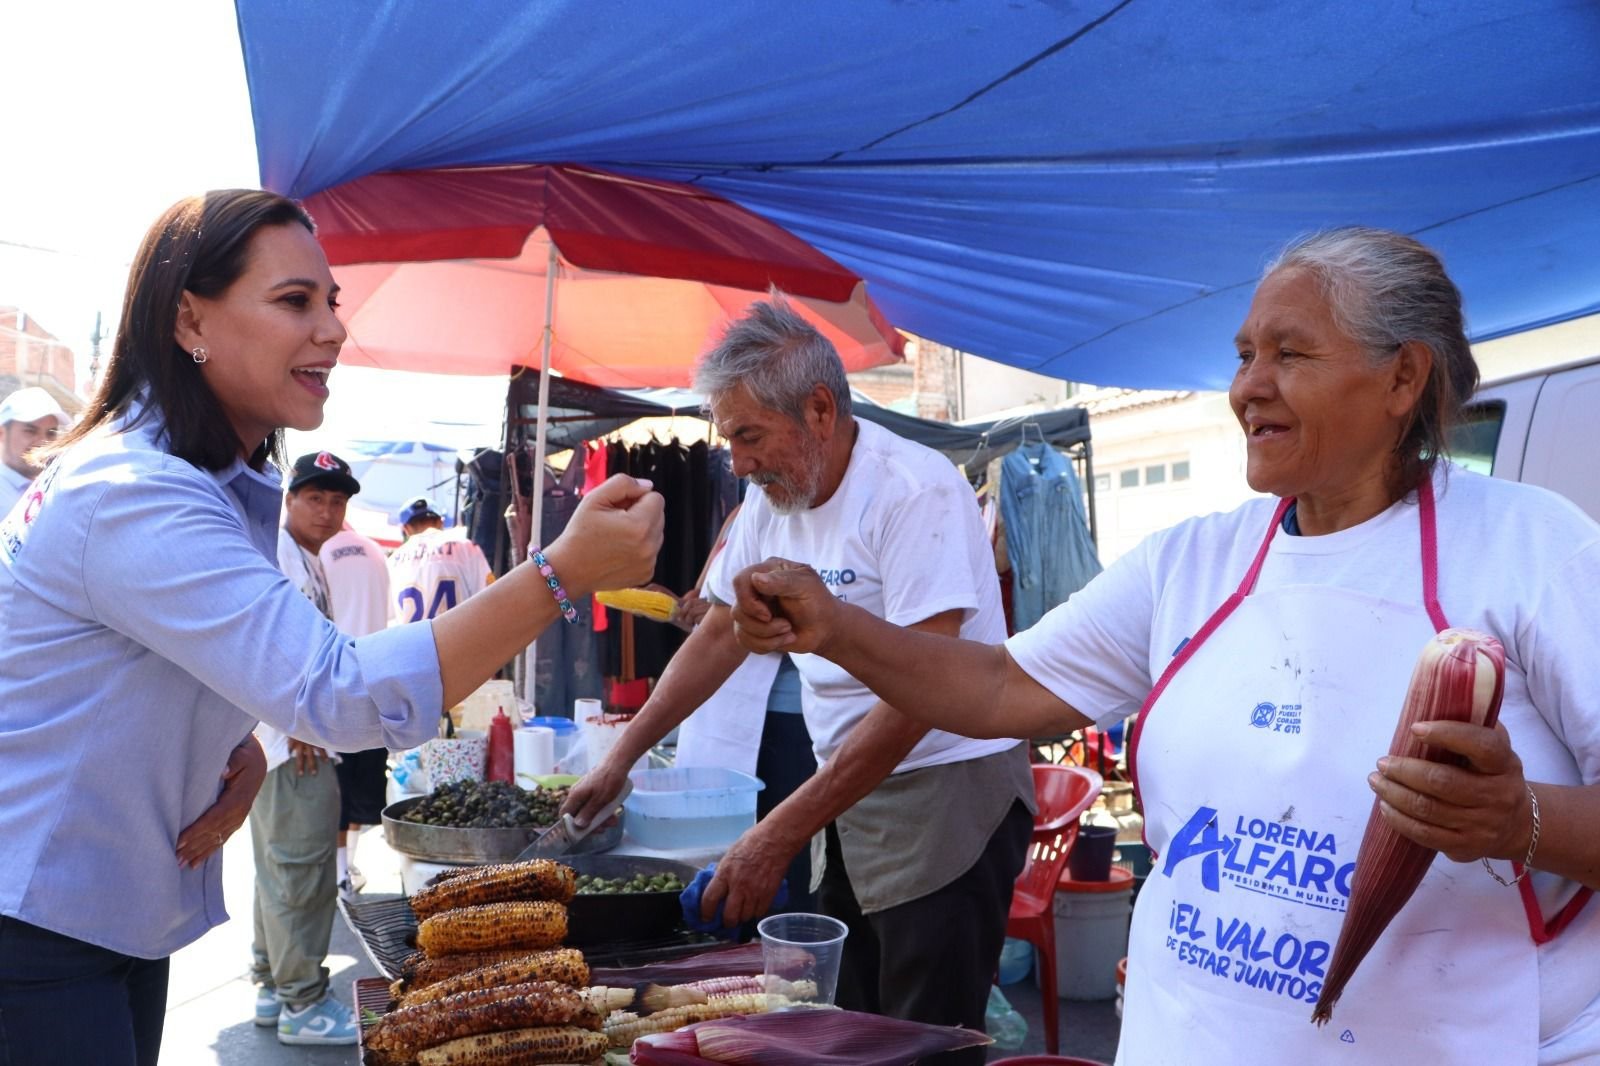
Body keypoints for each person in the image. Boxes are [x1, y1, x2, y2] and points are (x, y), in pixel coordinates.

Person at [729, 229, 1600, 1064]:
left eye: (1290, 354)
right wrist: (836, 627)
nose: (1249, 387)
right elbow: (996, 687)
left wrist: (1516, 821)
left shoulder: (1534, 551)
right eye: (1245, 355)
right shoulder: (1192, 562)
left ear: (1403, 376)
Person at [0, 189, 662, 1066]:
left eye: (331, 301)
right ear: (190, 318)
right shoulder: (134, 492)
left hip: (97, 906)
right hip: (38, 922)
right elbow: (340, 691)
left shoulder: (185, 480)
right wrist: (559, 573)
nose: (334, 329)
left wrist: (231, 739)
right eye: (294, 301)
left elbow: (116, 664)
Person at [565, 295, 1034, 1064]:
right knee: (847, 1027)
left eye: (749, 436)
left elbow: (922, 696)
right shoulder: (771, 502)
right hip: (848, 784)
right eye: (729, 441)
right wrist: (623, 757)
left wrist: (778, 832)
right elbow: (717, 634)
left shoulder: (912, 488)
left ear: (819, 409)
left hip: (946, 786)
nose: (738, 464)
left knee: (923, 1039)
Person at [249, 450, 363, 1044]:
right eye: (314, 498)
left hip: (284, 740)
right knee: (301, 874)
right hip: (294, 742)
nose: (326, 511)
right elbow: (275, 647)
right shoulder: (283, 555)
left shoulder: (304, 557)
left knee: (280, 870)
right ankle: (303, 1003)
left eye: (337, 501)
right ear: (289, 500)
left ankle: (274, 985)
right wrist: (296, 720)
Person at [319, 516, 393, 899]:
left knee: (336, 789)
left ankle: (339, 873)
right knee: (361, 789)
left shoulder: (317, 554)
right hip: (374, 679)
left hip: (332, 680)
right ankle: (347, 868)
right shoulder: (376, 552)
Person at [387, 496, 494, 623]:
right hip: (457, 633)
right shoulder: (466, 548)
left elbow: (388, 618)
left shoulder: (392, 562)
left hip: (411, 635)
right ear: (440, 522)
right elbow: (489, 600)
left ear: (406, 529)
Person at [0, 387, 69, 515]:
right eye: (30, 431)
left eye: (51, 433)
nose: (43, 442)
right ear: (1, 433)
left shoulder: (55, 488)